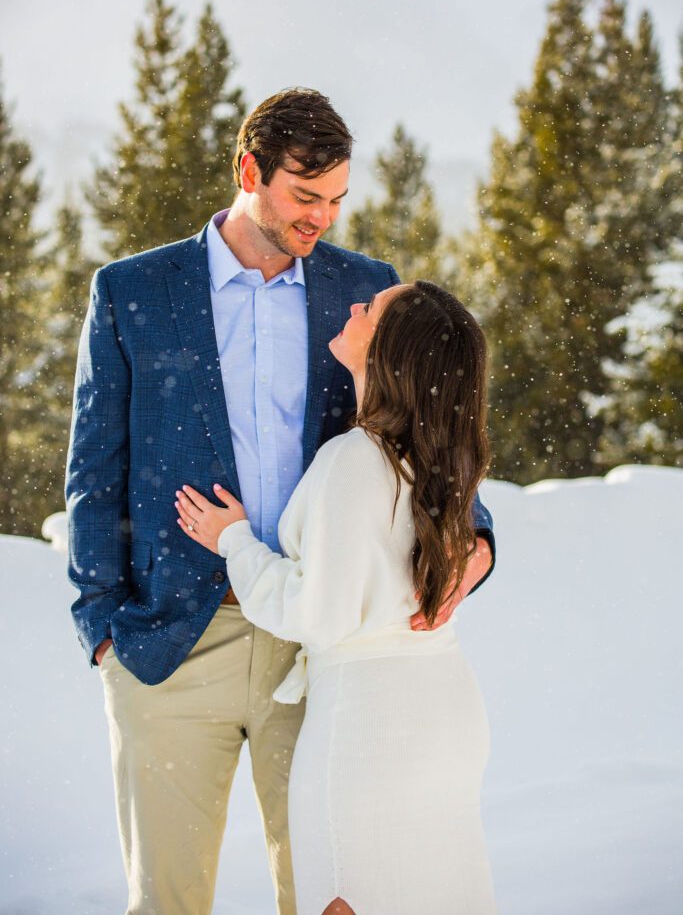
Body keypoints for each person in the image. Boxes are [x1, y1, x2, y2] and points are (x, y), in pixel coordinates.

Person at [66, 88, 496, 915]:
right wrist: (103, 631)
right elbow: (96, 469)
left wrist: (473, 541)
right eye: (305, 197)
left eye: (336, 200)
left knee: (329, 894)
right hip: (169, 648)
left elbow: (429, 429)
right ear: (247, 171)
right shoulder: (134, 292)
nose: (321, 220)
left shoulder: (363, 292)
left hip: (318, 661)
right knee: (166, 900)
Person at [175, 279, 498, 915]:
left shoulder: (355, 460)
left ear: (392, 351)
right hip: (442, 706)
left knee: (348, 897)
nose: (355, 304)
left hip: (369, 723)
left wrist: (233, 540)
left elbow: (312, 614)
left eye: (371, 309)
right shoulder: (442, 459)